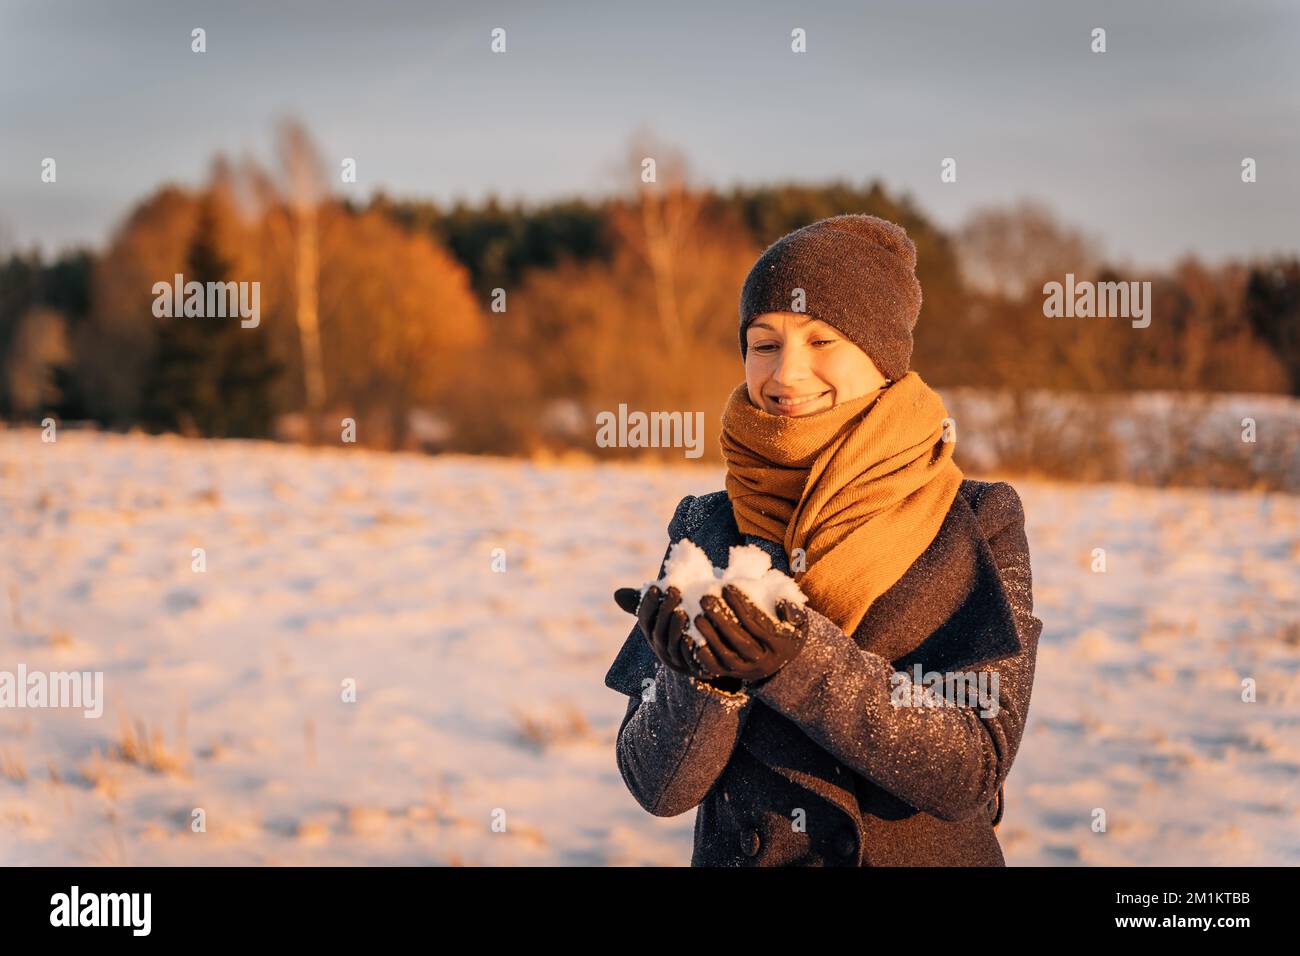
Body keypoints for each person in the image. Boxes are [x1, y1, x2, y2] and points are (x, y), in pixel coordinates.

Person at [604, 213, 1043, 866]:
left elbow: (970, 768)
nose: (785, 375)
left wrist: (798, 662)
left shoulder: (977, 520)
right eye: (764, 343)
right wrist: (699, 685)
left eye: (821, 341)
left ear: (884, 356)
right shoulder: (707, 523)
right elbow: (658, 786)